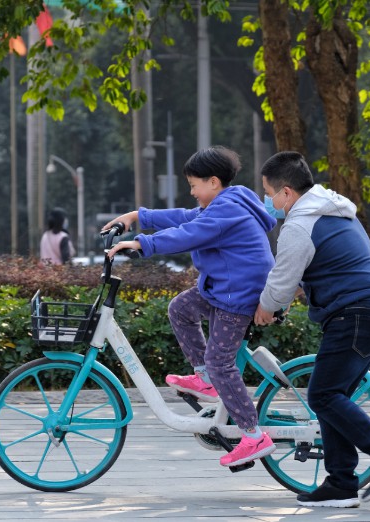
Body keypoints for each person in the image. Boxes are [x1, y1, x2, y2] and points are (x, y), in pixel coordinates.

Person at [253, 151, 370, 508]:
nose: (268, 200)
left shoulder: (299, 224)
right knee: (330, 398)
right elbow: (318, 269)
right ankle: (341, 482)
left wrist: (265, 308)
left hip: (353, 316)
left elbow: (280, 284)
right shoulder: (329, 210)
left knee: (323, 396)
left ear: (287, 193)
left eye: (268, 192)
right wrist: (286, 296)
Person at [104, 146, 278, 468]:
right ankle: (206, 380)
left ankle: (253, 436)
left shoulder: (226, 211)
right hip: (222, 289)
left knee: (220, 360)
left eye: (194, 185)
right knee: (181, 308)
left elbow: (189, 233)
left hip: (237, 295)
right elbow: (185, 217)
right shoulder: (224, 204)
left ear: (213, 182)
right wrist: (137, 217)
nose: (192, 191)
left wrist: (142, 243)